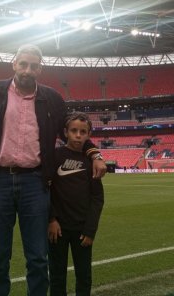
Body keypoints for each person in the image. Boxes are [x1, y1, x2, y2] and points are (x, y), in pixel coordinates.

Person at [0, 44, 106, 296]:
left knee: (38, 258)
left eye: (34, 66)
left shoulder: (52, 98)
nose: (28, 70)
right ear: (14, 64)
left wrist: (94, 153)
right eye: (23, 64)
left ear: (40, 69)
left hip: (35, 183)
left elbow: (71, 130)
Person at [48, 112, 104, 296]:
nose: (78, 135)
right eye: (73, 131)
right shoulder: (54, 156)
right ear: (65, 132)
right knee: (57, 275)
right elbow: (45, 190)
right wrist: (51, 219)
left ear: (89, 135)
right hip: (57, 229)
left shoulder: (91, 161)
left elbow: (97, 197)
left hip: (82, 230)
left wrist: (90, 230)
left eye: (83, 132)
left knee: (84, 275)